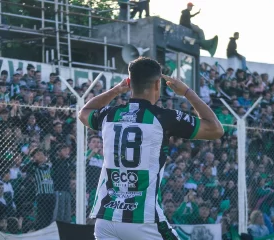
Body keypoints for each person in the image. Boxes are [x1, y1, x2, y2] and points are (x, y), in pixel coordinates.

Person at [79, 57, 224, 240]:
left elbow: (83, 113)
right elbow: (215, 129)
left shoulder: (110, 114)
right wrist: (187, 92)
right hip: (144, 220)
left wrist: (116, 90)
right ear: (158, 84)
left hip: (106, 219)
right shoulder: (163, 117)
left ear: (129, 83)